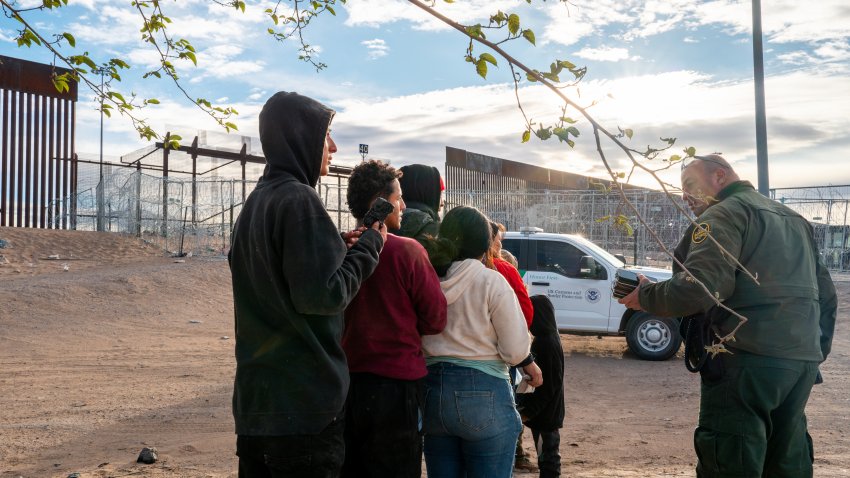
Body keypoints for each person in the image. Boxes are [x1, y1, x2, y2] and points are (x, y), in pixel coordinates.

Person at [619, 154, 837, 478]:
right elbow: (827, 298)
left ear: (720, 177)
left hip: (745, 363)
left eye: (690, 184)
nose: (685, 196)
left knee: (729, 460)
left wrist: (646, 296)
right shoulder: (794, 219)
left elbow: (701, 289)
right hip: (799, 365)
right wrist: (812, 353)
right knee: (788, 463)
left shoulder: (722, 215)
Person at [228, 91, 387, 478]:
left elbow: (287, 281)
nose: (332, 147)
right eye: (326, 134)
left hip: (256, 408)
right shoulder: (300, 200)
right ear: (300, 137)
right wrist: (370, 246)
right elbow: (324, 295)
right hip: (302, 410)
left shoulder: (257, 203)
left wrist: (337, 249)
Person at [340, 160, 448, 477]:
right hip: (397, 388)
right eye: (398, 197)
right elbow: (436, 319)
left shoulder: (338, 246)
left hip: (345, 384)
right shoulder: (408, 252)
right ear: (381, 203)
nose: (402, 205)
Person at [420, 205, 543, 478]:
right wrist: (529, 365)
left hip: (432, 394)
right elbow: (514, 349)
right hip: (483, 393)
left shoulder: (428, 279)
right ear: (485, 242)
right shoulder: (492, 281)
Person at [516, 295, 565, 478]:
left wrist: (529, 411)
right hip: (547, 411)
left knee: (548, 457)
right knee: (546, 453)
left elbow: (549, 386)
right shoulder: (550, 337)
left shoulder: (546, 342)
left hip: (546, 414)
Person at [393, 164, 443, 244]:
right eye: (438, 193)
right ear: (429, 192)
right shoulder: (431, 228)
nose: (442, 203)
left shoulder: (383, 224)